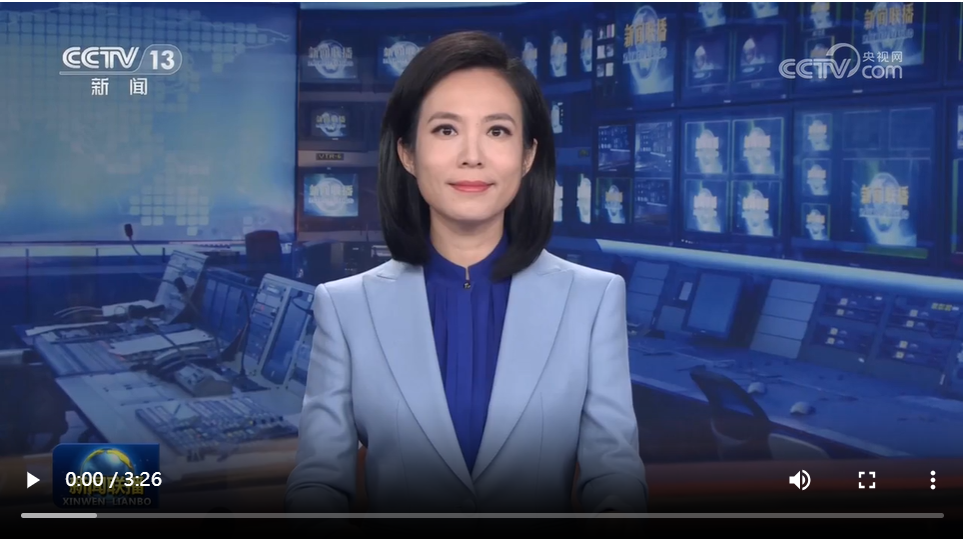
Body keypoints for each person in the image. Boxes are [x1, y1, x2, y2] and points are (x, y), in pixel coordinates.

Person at [286, 30, 647, 519]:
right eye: (445, 130)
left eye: (497, 131)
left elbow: (615, 476)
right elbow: (319, 481)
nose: (472, 155)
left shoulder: (593, 299)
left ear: (528, 155)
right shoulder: (346, 306)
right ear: (407, 153)